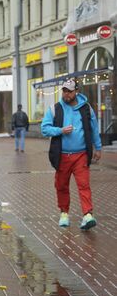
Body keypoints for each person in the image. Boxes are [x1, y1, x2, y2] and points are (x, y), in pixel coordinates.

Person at [41, 79, 102, 230]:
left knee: (84, 185)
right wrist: (60, 130)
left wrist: (98, 148)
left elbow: (94, 129)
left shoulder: (86, 108)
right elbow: (44, 128)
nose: (66, 94)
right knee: (61, 185)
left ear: (76, 92)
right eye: (64, 91)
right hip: (62, 155)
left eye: (69, 91)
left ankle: (87, 215)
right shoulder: (55, 108)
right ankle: (64, 214)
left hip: (81, 154)